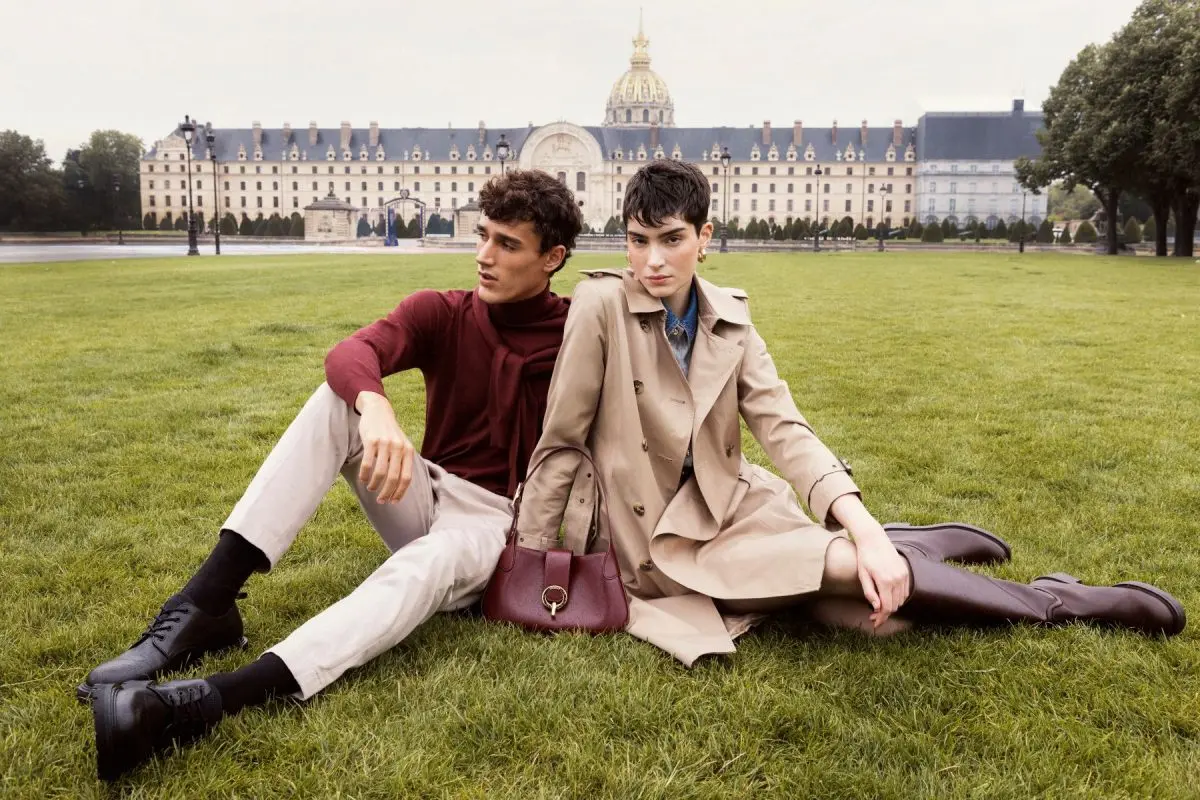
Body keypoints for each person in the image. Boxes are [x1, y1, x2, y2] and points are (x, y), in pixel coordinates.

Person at [514, 159, 1185, 666]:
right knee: (882, 616)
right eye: (637, 241)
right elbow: (561, 440)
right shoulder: (601, 306)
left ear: (704, 236)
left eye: (670, 239)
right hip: (651, 542)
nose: (652, 261)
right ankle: (999, 581)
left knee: (874, 595)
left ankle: (1055, 600)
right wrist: (532, 559)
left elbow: (784, 429)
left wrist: (858, 526)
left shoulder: (730, 317)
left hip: (729, 511)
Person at [84, 169, 584, 781]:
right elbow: (351, 353)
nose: (484, 255)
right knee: (337, 401)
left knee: (429, 562)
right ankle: (206, 604)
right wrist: (375, 408)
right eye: (483, 236)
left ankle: (210, 700)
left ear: (553, 258)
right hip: (427, 491)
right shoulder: (443, 311)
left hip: (500, 524)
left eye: (507, 244)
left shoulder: (580, 335)